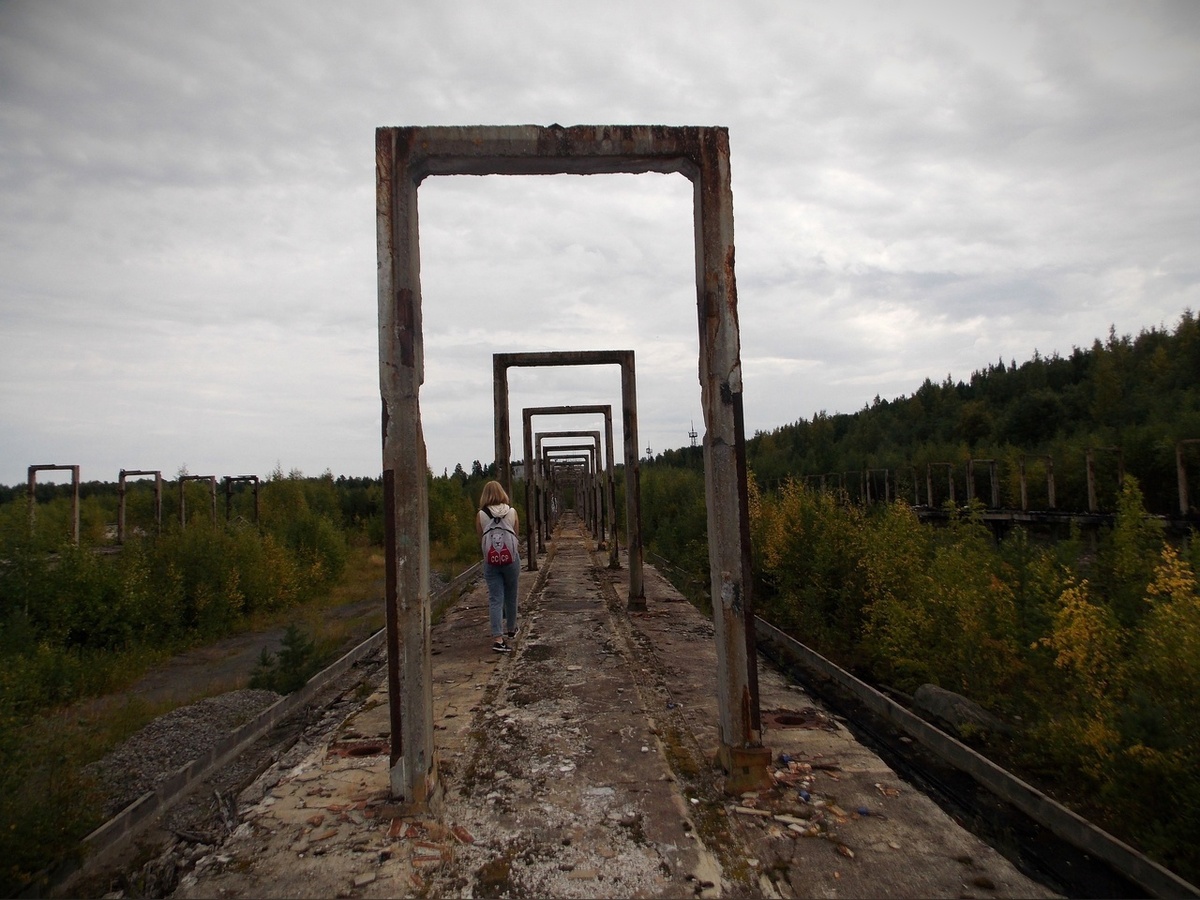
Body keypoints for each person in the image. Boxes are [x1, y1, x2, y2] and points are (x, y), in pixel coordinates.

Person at [477, 480, 520, 653]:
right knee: (512, 594)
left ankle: (497, 638)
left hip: (491, 561)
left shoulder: (481, 514)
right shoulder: (512, 512)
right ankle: (511, 628)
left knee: (495, 598)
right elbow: (516, 535)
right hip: (511, 560)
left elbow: (480, 538)